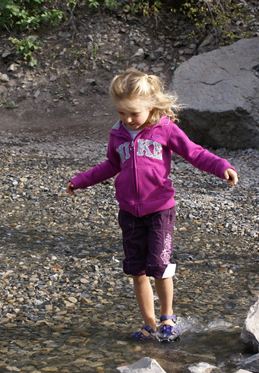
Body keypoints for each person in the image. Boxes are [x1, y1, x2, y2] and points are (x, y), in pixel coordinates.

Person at [66, 68, 238, 342]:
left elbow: (194, 153)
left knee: (160, 265)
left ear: (151, 106)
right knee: (137, 270)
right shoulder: (118, 134)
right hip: (129, 212)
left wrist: (221, 167)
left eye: (134, 113)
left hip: (159, 209)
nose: (128, 119)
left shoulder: (165, 129)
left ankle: (168, 318)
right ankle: (149, 324)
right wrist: (81, 180)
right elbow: (111, 165)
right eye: (121, 113)